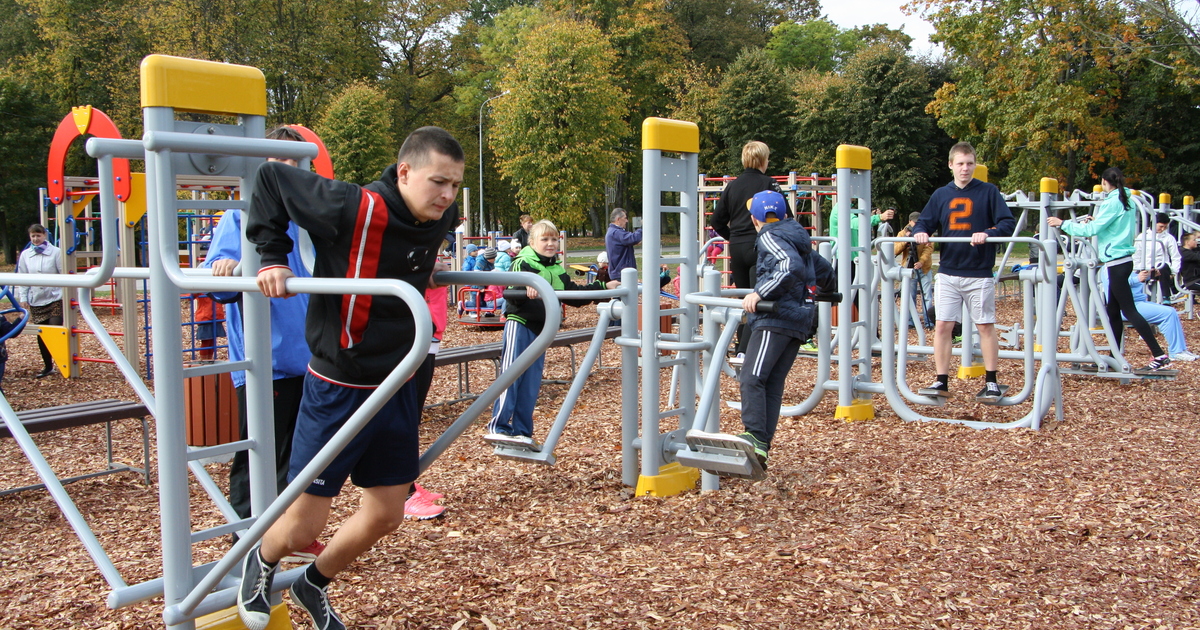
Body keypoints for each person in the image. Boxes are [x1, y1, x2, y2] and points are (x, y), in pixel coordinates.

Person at [237, 126, 463, 630]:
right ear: (404, 173)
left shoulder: (439, 213)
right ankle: (260, 560)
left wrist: (425, 267)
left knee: (386, 514)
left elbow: (410, 252)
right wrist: (272, 255)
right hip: (343, 381)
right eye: (438, 182)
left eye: (454, 185)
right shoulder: (350, 204)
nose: (446, 195)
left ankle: (310, 584)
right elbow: (272, 179)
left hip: (402, 375)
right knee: (301, 526)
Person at [688, 191, 834, 471]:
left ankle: (754, 435)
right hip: (799, 320)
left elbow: (788, 266)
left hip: (775, 317)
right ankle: (761, 446)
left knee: (752, 376)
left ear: (754, 219)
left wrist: (760, 293)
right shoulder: (797, 236)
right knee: (771, 383)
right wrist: (828, 291)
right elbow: (822, 268)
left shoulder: (768, 235)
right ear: (786, 214)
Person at [485, 220, 619, 447]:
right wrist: (525, 287)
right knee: (512, 375)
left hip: (543, 330)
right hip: (521, 324)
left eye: (553, 239)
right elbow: (510, 291)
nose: (550, 243)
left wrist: (604, 287)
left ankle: (522, 431)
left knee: (531, 381)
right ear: (533, 242)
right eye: (544, 239)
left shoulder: (556, 268)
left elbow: (574, 295)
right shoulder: (522, 262)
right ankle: (498, 426)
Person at [912, 142, 1016, 400]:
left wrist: (988, 233)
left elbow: (1006, 222)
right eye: (960, 163)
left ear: (975, 164)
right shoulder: (941, 195)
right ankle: (941, 380)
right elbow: (923, 222)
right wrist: (920, 232)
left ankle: (991, 381)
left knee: (984, 326)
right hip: (948, 271)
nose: (965, 168)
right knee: (943, 326)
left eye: (970, 163)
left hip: (978, 271)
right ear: (951, 165)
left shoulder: (989, 192)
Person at [1048, 166, 1170, 372]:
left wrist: (1063, 223)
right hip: (1120, 260)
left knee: (1129, 310)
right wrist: (1096, 221)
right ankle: (1115, 356)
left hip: (1117, 262)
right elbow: (1114, 226)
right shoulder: (1126, 199)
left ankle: (1159, 354)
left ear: (1105, 182)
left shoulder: (1112, 201)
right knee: (1112, 311)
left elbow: (1091, 230)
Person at [710, 141, 787, 354]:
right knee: (758, 299)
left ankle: (740, 344)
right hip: (759, 247)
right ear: (763, 160)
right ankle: (748, 351)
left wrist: (732, 237)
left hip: (737, 248)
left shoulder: (732, 186)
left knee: (744, 300)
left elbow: (716, 221)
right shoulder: (769, 184)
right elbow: (786, 216)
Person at [16, 224, 63, 379]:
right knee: (42, 333)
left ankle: (62, 361)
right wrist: (23, 297)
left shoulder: (56, 252)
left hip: (55, 296)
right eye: (33, 236)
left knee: (55, 328)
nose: (36, 239)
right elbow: (23, 277)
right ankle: (48, 366)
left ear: (45, 235)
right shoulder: (25, 255)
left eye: (38, 235)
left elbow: (64, 273)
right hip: (37, 299)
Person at [1128, 271, 1195, 361]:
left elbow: (1135, 278)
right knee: (1167, 314)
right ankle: (1175, 352)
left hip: (1139, 302)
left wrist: (1150, 275)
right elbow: (1116, 285)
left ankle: (1181, 349)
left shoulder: (1124, 266)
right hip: (1127, 307)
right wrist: (1136, 279)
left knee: (1171, 311)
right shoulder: (1109, 269)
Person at [894, 211, 935, 329]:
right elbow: (895, 250)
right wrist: (905, 240)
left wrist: (921, 261)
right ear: (910, 222)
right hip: (908, 267)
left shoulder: (927, 231)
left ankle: (929, 321)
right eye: (915, 222)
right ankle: (910, 321)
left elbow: (929, 248)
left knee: (927, 295)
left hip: (924, 268)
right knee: (909, 296)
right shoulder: (902, 233)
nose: (917, 225)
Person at [1133, 212, 1181, 300]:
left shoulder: (1169, 238)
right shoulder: (1142, 236)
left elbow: (1175, 256)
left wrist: (1174, 272)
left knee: (1163, 266)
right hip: (1145, 268)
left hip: (1161, 269)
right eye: (1161, 226)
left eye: (1165, 227)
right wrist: (1139, 269)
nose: (1163, 229)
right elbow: (1136, 256)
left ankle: (1166, 297)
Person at [605, 208, 643, 279]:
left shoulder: (613, 232)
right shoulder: (616, 232)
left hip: (619, 272)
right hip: (622, 273)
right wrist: (643, 227)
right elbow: (633, 238)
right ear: (618, 219)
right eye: (625, 218)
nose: (627, 221)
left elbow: (629, 239)